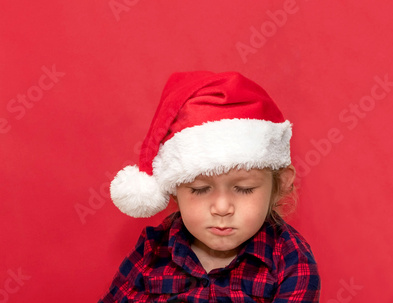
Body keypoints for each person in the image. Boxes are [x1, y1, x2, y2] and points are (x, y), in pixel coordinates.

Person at [99, 71, 321, 302]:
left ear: (280, 184)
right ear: (174, 188)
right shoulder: (153, 250)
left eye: (244, 189)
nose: (222, 208)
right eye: (200, 189)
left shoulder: (290, 259)